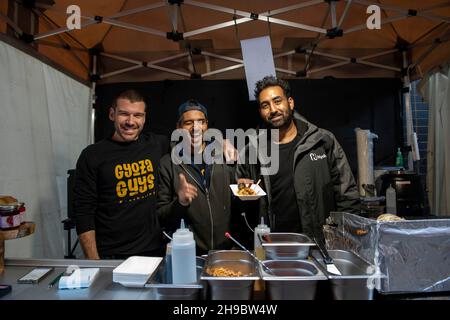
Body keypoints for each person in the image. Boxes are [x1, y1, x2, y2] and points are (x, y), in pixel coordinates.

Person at [236, 76, 359, 242]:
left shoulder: (322, 141)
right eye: (265, 105)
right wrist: (243, 193)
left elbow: (347, 195)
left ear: (290, 102)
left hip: (318, 245)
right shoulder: (252, 151)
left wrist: (344, 237)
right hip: (271, 246)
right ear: (261, 112)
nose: (272, 109)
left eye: (277, 101)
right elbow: (240, 207)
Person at [73, 90, 169, 259]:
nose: (131, 122)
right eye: (124, 114)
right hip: (111, 256)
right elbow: (83, 212)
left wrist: (221, 142)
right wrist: (94, 262)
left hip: (153, 251)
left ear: (144, 118)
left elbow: (192, 142)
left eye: (137, 115)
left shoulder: (156, 144)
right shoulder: (92, 155)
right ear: (112, 114)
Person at [157, 99, 236, 255]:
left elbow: (236, 198)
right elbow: (161, 215)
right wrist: (179, 203)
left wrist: (243, 184)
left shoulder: (224, 154)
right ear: (178, 127)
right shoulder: (168, 163)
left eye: (201, 121)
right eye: (188, 123)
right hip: (189, 253)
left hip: (226, 250)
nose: (196, 128)